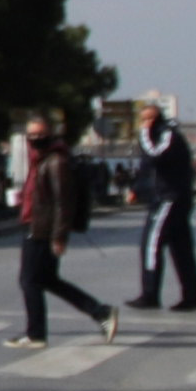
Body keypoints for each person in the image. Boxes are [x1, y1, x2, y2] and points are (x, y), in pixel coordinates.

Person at [12, 113, 120, 346]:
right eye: (31, 135)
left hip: (42, 228)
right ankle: (100, 312)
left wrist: (59, 236)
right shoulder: (40, 158)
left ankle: (36, 334)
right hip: (36, 223)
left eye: (40, 134)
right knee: (47, 279)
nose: (35, 138)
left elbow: (64, 202)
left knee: (29, 281)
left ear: (50, 134)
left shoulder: (56, 161)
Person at [130, 101, 196, 315]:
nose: (145, 124)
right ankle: (192, 296)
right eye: (143, 120)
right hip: (164, 196)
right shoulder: (158, 136)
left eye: (148, 120)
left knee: (151, 244)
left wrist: (144, 135)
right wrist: (136, 188)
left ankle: (150, 294)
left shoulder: (167, 135)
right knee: (181, 249)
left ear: (157, 119)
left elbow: (156, 156)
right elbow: (147, 168)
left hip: (169, 198)